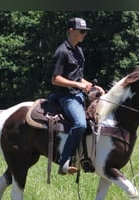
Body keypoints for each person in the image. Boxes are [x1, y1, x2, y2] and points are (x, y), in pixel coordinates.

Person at [51, 17, 105, 175]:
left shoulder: (79, 51)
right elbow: (55, 79)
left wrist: (94, 87)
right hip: (67, 96)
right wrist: (78, 85)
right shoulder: (61, 52)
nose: (84, 34)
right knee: (80, 124)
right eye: (81, 31)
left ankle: (89, 158)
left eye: (85, 32)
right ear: (70, 31)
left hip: (79, 93)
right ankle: (64, 161)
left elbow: (78, 77)